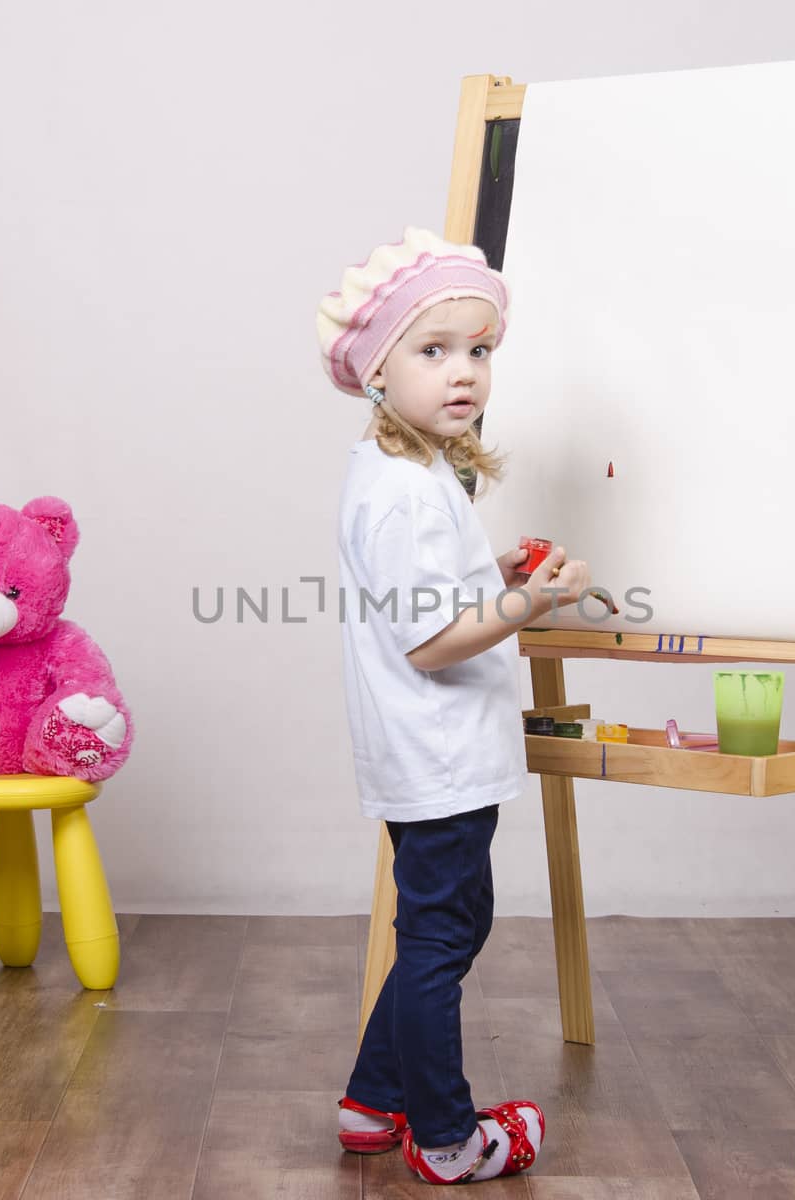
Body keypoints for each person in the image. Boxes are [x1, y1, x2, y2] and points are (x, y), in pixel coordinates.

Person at [316, 227, 590, 1183]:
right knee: (440, 940)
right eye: (433, 351)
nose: (464, 372)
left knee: (451, 927)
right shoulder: (404, 492)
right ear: (377, 370)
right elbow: (430, 642)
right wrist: (535, 602)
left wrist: (498, 571)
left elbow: (433, 595)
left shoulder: (415, 474)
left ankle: (367, 1101)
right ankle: (446, 1137)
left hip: (433, 752)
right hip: (434, 755)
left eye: (480, 350)